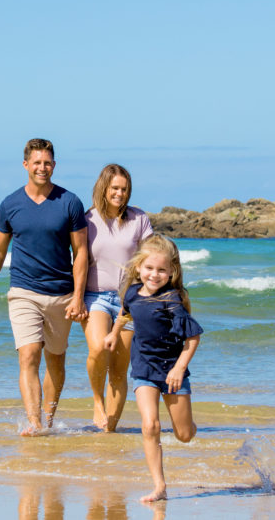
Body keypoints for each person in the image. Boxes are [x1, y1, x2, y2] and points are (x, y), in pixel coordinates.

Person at [0, 138, 88, 436]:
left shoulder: (70, 202)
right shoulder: (10, 204)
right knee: (28, 355)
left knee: (55, 360)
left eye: (48, 162)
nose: (43, 167)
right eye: (37, 162)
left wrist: (78, 296)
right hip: (23, 291)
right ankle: (35, 422)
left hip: (61, 295)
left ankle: (49, 420)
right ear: (25, 164)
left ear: (54, 165)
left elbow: (81, 253)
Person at [104, 234, 201, 502]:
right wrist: (114, 333)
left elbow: (192, 338)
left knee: (183, 435)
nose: (154, 275)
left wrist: (179, 368)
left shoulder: (173, 300)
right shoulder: (133, 292)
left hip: (172, 370)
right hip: (144, 368)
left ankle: (190, 425)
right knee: (150, 426)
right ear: (138, 267)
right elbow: (125, 312)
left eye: (161, 270)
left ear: (171, 272)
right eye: (149, 268)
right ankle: (159, 486)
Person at [82, 164, 153, 432]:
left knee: (119, 371)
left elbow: (150, 259)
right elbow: (77, 260)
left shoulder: (139, 219)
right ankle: (97, 402)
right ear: (104, 187)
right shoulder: (87, 220)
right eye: (115, 188)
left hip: (129, 301)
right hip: (95, 296)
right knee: (99, 348)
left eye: (124, 189)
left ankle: (108, 430)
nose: (120, 194)